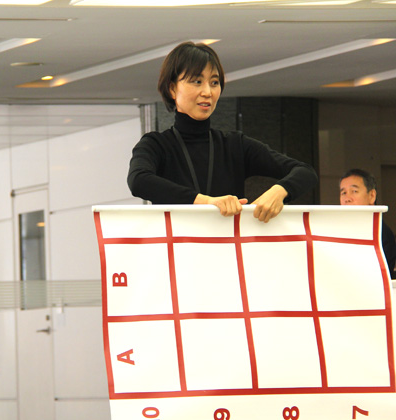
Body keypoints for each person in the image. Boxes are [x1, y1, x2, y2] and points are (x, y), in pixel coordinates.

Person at [127, 41, 318, 223]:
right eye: (197, 81)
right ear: (172, 89)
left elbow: (305, 172)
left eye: (214, 82)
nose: (207, 92)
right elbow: (139, 181)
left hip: (228, 245)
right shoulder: (157, 145)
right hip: (176, 244)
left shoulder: (235, 145)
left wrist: (278, 191)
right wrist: (206, 201)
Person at [339, 168, 396, 279]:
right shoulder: (337, 230)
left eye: (354, 191)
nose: (347, 199)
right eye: (343, 193)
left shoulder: (382, 233)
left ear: (372, 196)